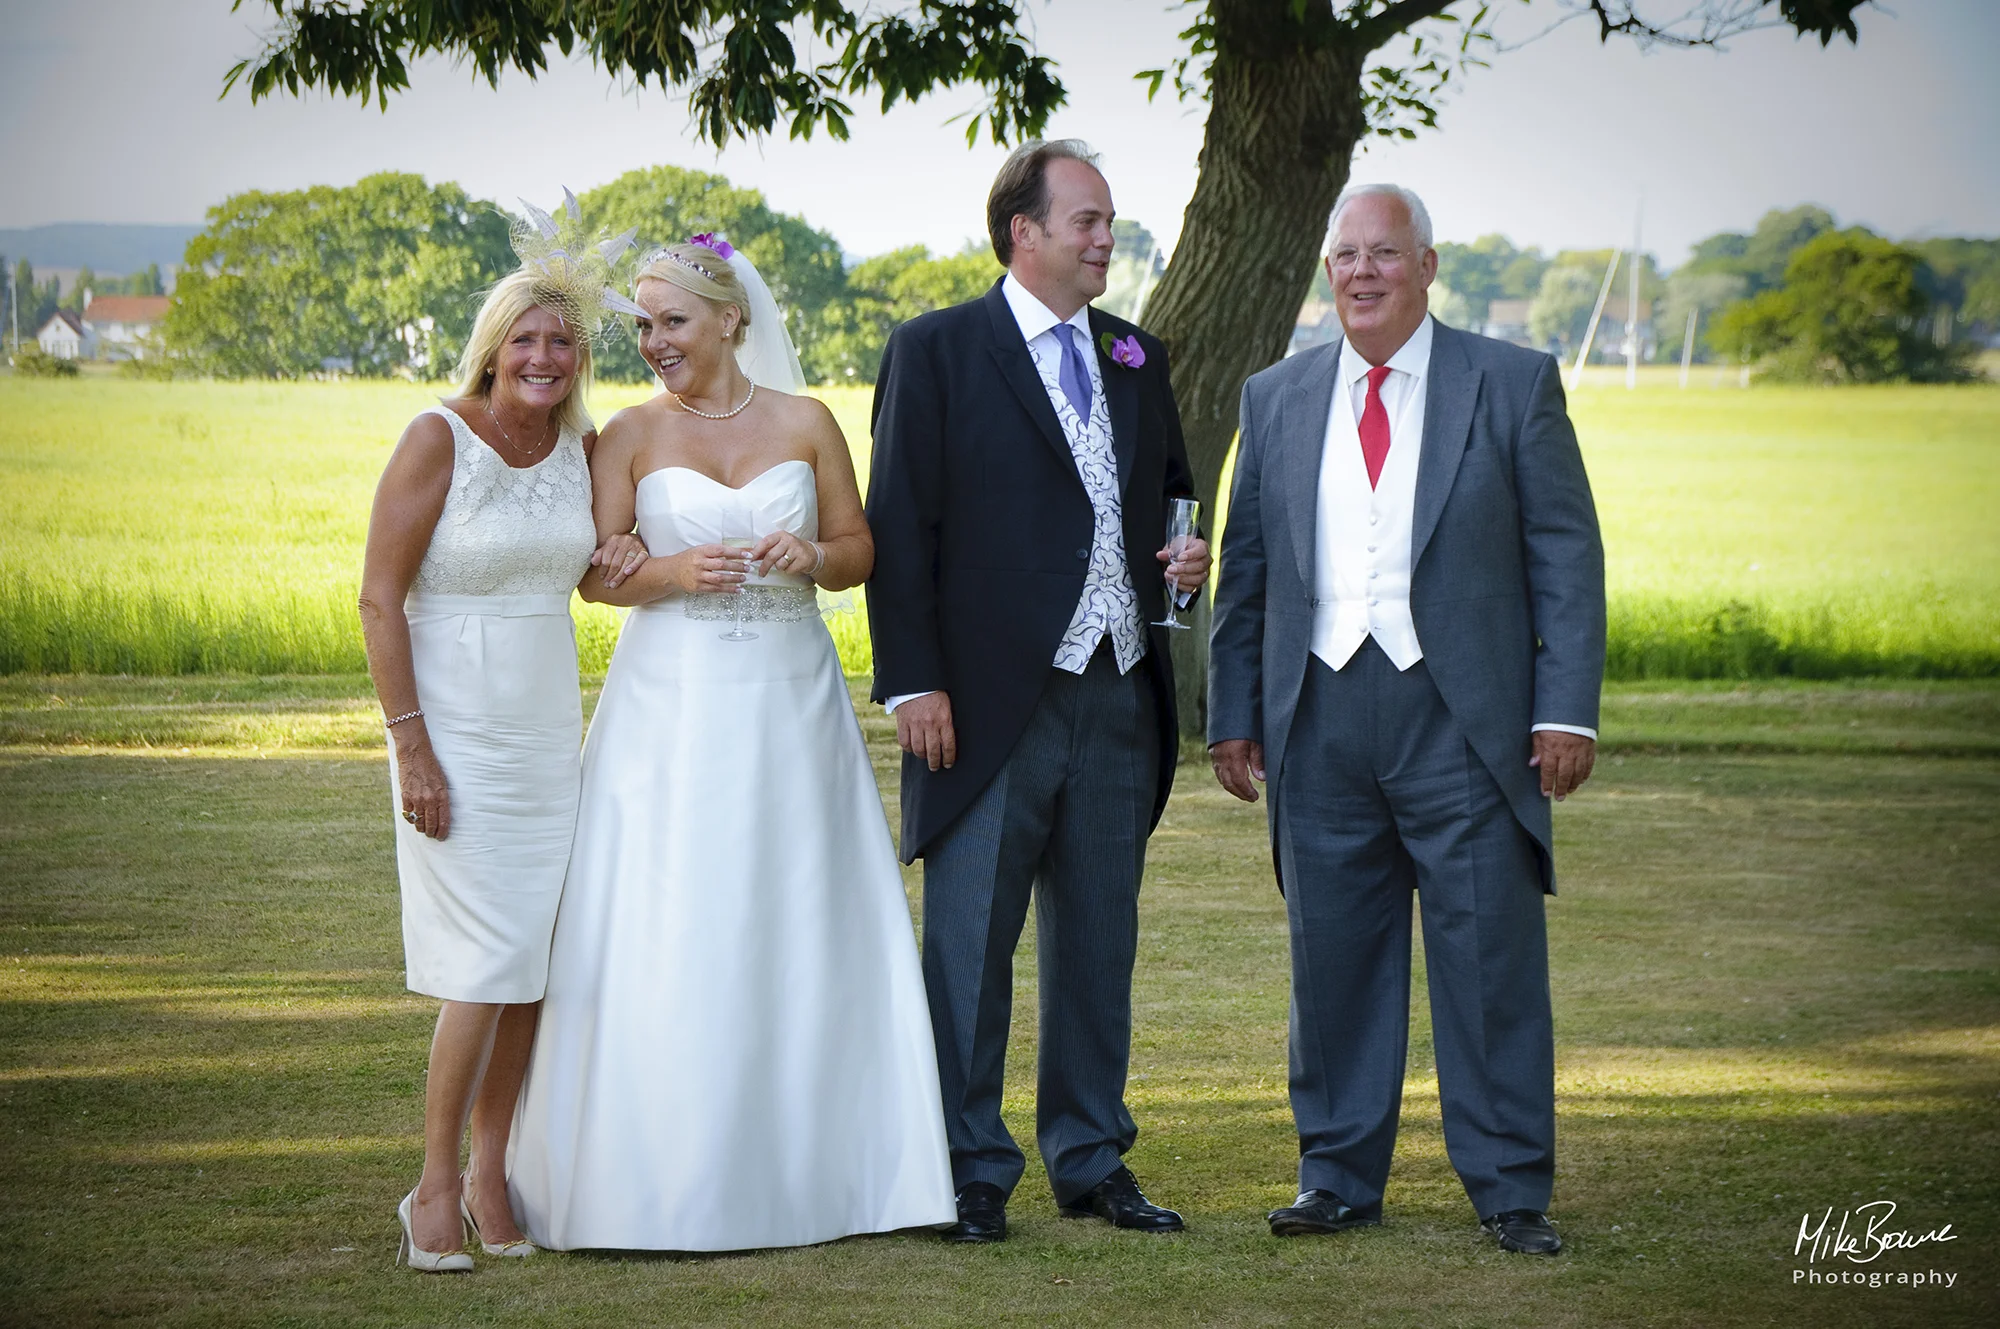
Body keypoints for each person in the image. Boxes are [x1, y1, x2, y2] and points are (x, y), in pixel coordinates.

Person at [507, 238, 957, 1252]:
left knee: (794, 908)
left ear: (729, 319)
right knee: (671, 913)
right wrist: (665, 574)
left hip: (788, 700)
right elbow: (598, 574)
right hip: (668, 706)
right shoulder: (623, 434)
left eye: (671, 321)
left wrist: (811, 553)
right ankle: (656, 1171)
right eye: (644, 325)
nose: (653, 341)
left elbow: (857, 550)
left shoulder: (806, 423)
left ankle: (831, 1171)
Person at [1207, 182, 1605, 1255]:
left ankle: (1510, 1187)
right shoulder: (1273, 397)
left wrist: (1565, 708)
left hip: (1465, 719)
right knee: (1329, 955)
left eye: (1384, 253)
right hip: (1317, 714)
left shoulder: (1509, 382)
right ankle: (1334, 1176)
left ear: (1426, 266)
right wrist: (1231, 712)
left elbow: (1563, 558)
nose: (1361, 273)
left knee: (1488, 959)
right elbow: (1245, 571)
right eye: (1345, 256)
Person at [866, 140, 1211, 1244]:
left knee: (1098, 941)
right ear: (1023, 231)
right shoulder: (935, 351)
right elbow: (897, 530)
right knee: (969, 947)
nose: (1107, 239)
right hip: (982, 700)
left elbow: (1167, 493)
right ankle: (968, 1169)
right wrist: (913, 681)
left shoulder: (1134, 355)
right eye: (1089, 222)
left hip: (1117, 690)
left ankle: (1091, 1156)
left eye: (1109, 223)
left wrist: (1186, 555)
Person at [358, 238, 649, 1272]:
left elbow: (594, 573)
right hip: (455, 732)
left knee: (529, 967)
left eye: (562, 342)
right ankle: (431, 1184)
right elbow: (378, 599)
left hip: (543, 734)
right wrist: (412, 750)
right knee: (482, 966)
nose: (544, 357)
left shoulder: (582, 451)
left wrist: (618, 554)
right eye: (525, 338)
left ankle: (492, 1171)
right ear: (492, 348)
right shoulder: (438, 437)